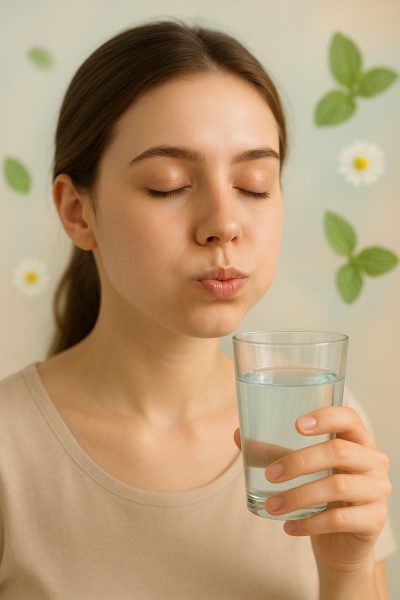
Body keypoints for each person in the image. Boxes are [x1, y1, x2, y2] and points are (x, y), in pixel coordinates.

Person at [0, 17, 396, 599]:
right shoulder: (10, 452)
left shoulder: (317, 428)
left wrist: (347, 571)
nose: (224, 225)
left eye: (255, 184)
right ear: (77, 212)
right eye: (168, 185)